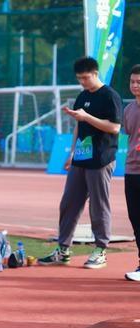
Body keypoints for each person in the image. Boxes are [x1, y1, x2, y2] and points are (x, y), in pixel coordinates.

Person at [39, 57, 122, 269]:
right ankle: (63, 249)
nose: (82, 82)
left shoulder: (110, 96)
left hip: (101, 159)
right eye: (79, 78)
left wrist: (87, 117)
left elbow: (114, 127)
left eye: (85, 78)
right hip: (81, 158)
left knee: (98, 205)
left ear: (95, 74)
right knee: (69, 203)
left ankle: (100, 249)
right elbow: (78, 125)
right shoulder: (83, 96)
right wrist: (72, 152)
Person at [124, 65, 140, 281]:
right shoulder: (128, 110)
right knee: (136, 219)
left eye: (139, 82)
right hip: (132, 170)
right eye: (132, 82)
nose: (135, 86)